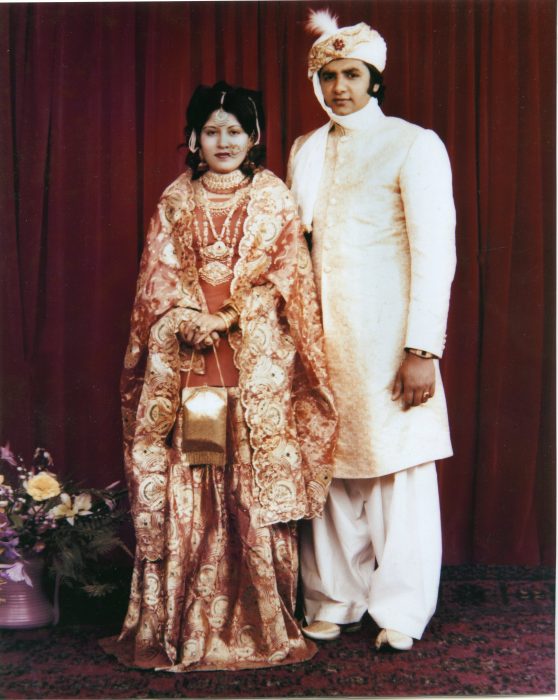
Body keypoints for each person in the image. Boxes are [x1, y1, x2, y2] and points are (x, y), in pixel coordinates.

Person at [101, 82, 337, 671]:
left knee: (247, 481)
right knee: (193, 470)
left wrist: (228, 316)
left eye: (235, 130)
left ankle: (261, 627)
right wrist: (186, 317)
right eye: (212, 130)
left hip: (253, 359)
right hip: (188, 360)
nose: (224, 141)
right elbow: (157, 276)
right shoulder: (176, 199)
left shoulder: (274, 198)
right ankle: (179, 626)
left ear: (255, 138)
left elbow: (288, 279)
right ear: (193, 138)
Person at [287, 11, 456, 651]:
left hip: (390, 339)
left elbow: (435, 253)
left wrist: (422, 349)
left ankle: (401, 612)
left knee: (397, 471)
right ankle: (333, 599)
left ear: (374, 80)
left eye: (351, 74)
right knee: (329, 471)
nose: (338, 88)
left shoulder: (414, 144)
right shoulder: (307, 149)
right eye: (326, 76)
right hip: (322, 336)